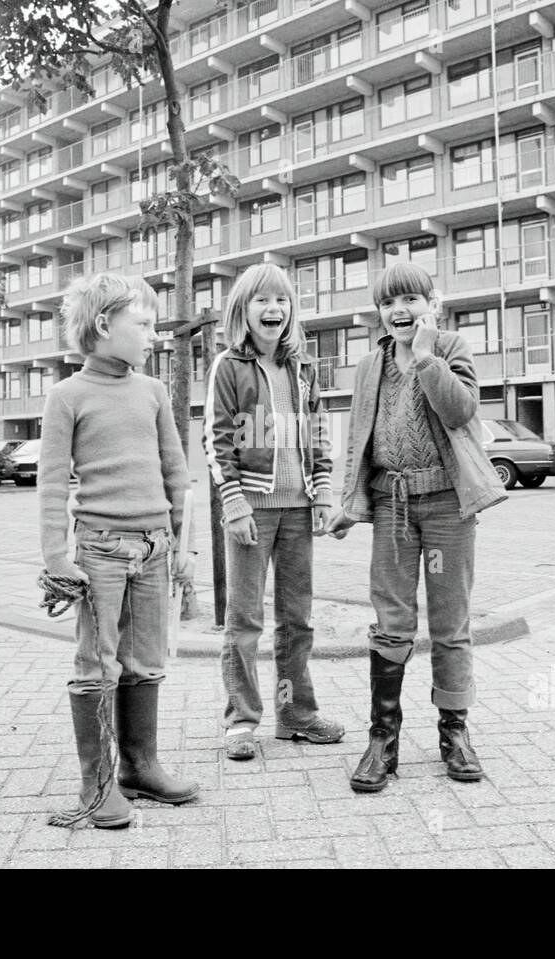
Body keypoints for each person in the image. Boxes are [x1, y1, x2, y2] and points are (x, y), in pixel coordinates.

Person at [327, 262, 508, 792]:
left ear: (433, 302)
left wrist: (427, 357)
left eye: (410, 299)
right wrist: (347, 502)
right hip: (392, 507)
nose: (398, 311)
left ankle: (455, 732)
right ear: (379, 312)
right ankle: (383, 737)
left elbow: (459, 412)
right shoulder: (369, 364)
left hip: (448, 505)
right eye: (388, 303)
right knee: (391, 621)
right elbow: (358, 439)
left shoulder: (451, 348)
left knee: (451, 622)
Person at [39, 272, 198, 828]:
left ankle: (139, 765)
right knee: (97, 663)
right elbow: (54, 483)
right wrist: (56, 556)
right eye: (146, 323)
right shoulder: (67, 396)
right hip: (99, 551)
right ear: (105, 324)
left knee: (146, 659)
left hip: (155, 547)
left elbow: (177, 473)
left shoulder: (154, 392)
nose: (155, 335)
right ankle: (98, 783)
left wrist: (185, 545)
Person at [203, 263, 345, 760]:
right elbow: (217, 441)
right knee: (243, 621)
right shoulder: (229, 366)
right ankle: (241, 721)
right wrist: (235, 502)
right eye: (262, 300)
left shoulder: (303, 368)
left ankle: (295, 715)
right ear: (243, 310)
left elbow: (320, 433)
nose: (274, 309)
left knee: (296, 619)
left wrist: (323, 494)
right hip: (252, 513)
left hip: (298, 510)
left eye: (281, 300)